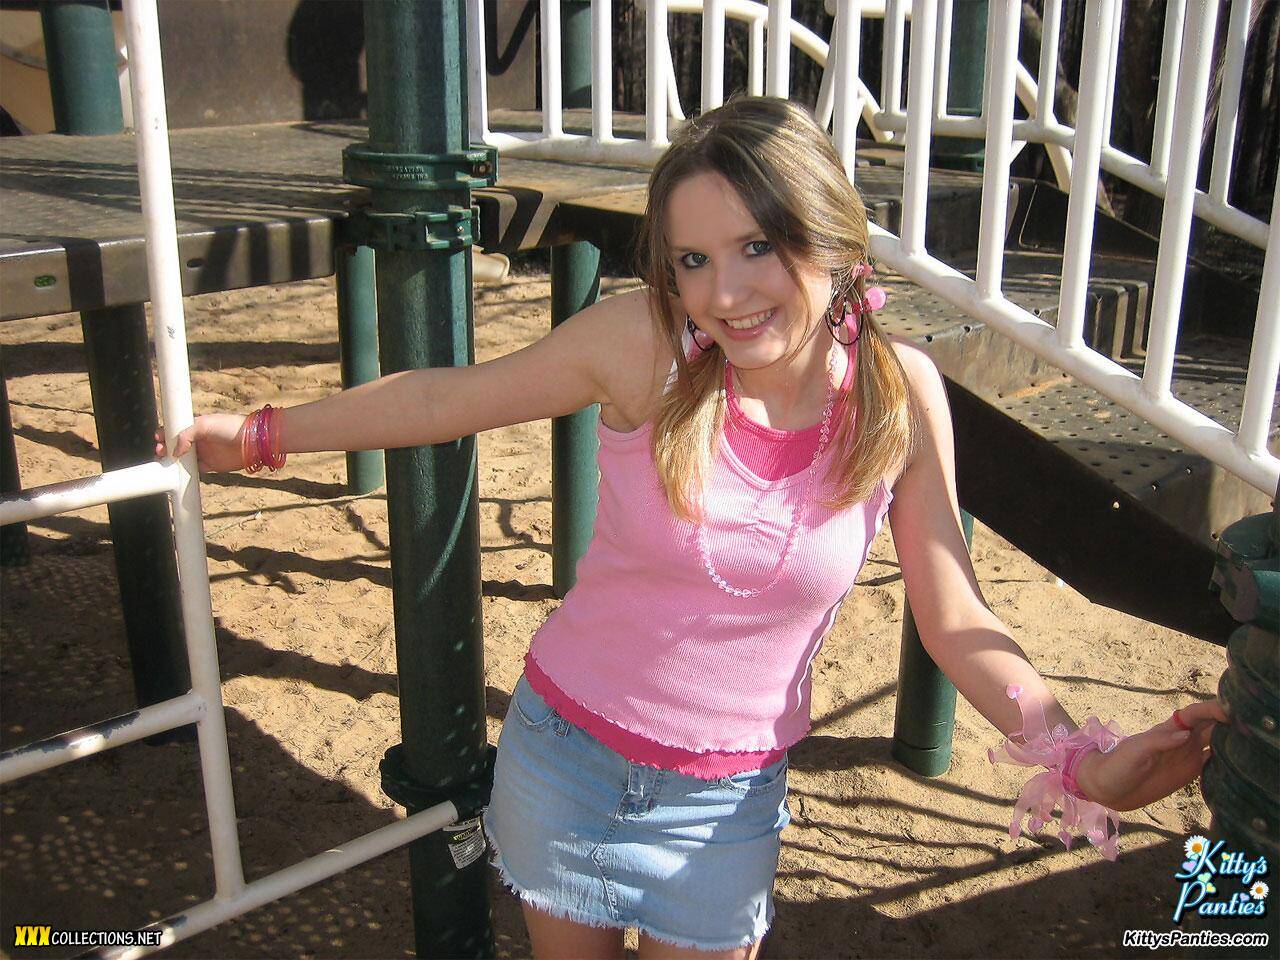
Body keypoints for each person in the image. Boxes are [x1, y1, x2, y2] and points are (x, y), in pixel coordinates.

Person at [162, 97, 1225, 959]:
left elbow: (953, 614)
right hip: (563, 758)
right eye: (691, 260)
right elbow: (449, 398)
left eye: (758, 245)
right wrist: (263, 434)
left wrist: (1077, 758)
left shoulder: (897, 393)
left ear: (830, 236)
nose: (725, 293)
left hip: (721, 808)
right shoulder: (646, 346)